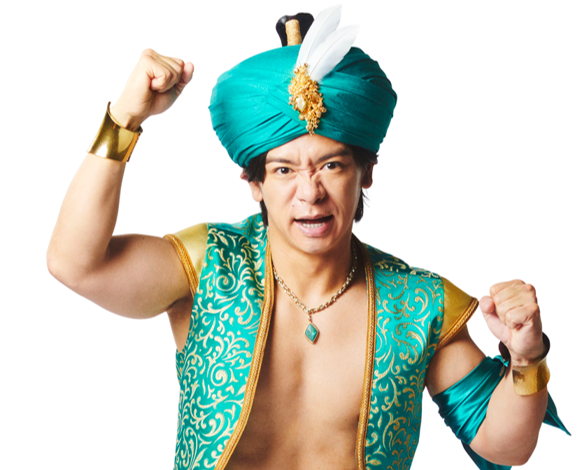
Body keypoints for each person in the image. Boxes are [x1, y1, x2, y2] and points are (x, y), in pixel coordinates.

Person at [46, 7, 567, 470]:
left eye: (332, 165)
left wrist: (526, 357)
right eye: (283, 170)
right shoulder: (208, 268)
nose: (310, 193)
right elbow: (75, 264)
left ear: (366, 172)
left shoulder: (417, 305)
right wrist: (125, 119)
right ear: (254, 183)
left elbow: (505, 446)